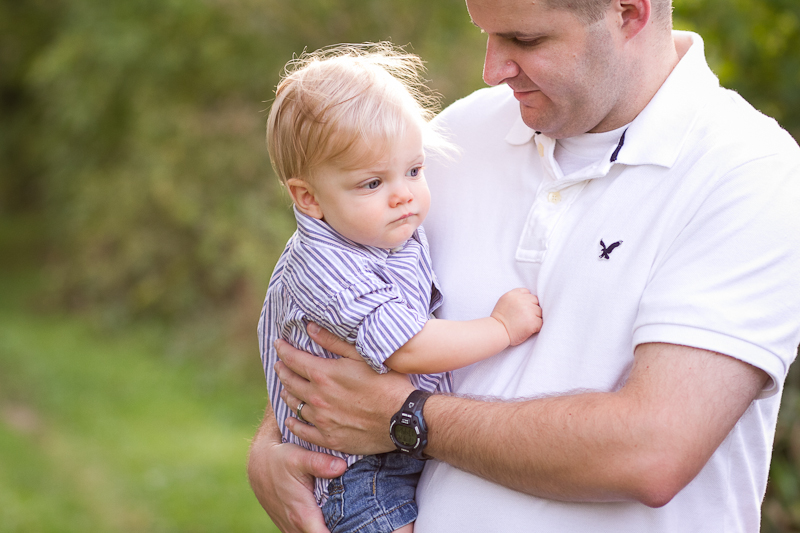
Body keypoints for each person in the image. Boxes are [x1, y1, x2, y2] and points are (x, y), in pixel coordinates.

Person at [248, 0, 800, 531]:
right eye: (486, 33)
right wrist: (272, 448)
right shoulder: (451, 140)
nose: (492, 70)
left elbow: (652, 452)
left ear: (629, 13)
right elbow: (331, 302)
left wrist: (407, 418)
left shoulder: (750, 174)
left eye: (525, 39)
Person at [258, 44, 542, 533]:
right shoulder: (327, 269)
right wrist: (501, 328)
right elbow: (407, 346)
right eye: (372, 183)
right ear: (309, 198)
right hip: (357, 473)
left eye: (413, 170)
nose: (403, 194)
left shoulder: (379, 232)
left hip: (392, 451)